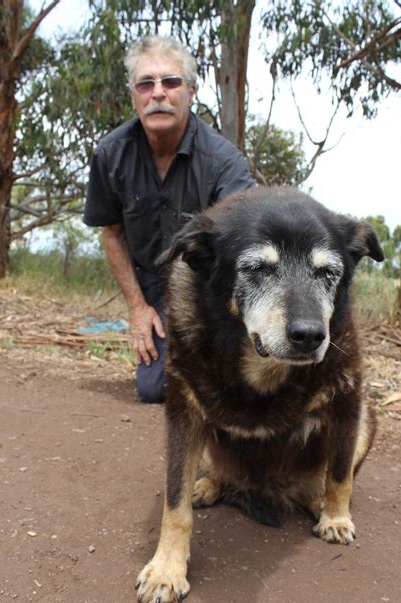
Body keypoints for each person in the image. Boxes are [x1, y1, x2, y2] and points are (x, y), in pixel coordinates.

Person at [83, 36, 254, 404]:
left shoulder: (225, 163)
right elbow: (111, 234)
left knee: (228, 388)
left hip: (208, 287)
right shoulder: (110, 154)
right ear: (133, 97)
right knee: (153, 389)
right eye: (146, 84)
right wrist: (137, 309)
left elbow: (241, 250)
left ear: (190, 92)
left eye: (170, 82)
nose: (158, 93)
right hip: (151, 284)